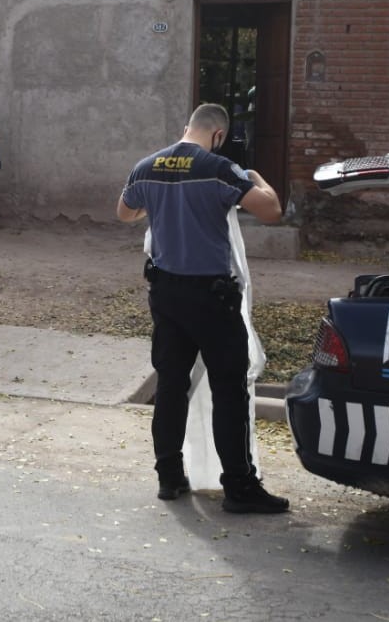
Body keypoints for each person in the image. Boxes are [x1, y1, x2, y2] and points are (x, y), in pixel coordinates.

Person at [116, 103, 289, 514]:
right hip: (212, 299)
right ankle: (240, 487)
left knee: (171, 385)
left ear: (186, 129)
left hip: (166, 295)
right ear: (219, 135)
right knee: (229, 390)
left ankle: (169, 477)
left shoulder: (146, 167)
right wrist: (256, 177)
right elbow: (272, 211)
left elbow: (124, 213)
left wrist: (156, 208)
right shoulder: (220, 169)